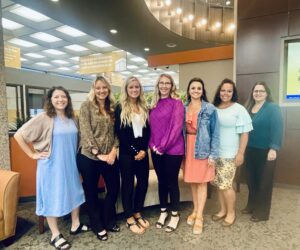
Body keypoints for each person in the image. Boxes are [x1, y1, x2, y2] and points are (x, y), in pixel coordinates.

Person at [14, 86, 87, 250]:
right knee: (51, 196)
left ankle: (75, 225)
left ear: (67, 99)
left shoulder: (72, 117)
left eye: (63, 97)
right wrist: (32, 154)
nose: (60, 100)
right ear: (50, 100)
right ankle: (55, 234)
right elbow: (20, 135)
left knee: (76, 192)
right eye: (56, 97)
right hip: (51, 166)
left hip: (70, 164)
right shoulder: (44, 117)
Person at [77, 76, 120, 241]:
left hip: (109, 156)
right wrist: (97, 153)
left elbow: (117, 131)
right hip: (89, 157)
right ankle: (97, 224)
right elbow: (85, 131)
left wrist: (114, 150)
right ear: (93, 89)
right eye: (98, 88)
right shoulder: (86, 106)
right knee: (92, 192)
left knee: (114, 188)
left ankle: (108, 219)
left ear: (109, 89)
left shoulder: (113, 107)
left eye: (104, 88)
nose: (101, 91)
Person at [211, 78, 253, 226]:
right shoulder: (214, 107)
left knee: (227, 185)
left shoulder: (238, 109)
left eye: (229, 91)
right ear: (219, 91)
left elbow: (245, 133)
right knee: (218, 184)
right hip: (215, 153)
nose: (225, 93)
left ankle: (231, 213)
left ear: (233, 93)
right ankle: (222, 210)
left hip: (230, 154)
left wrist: (241, 153)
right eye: (223, 90)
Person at [243, 81, 283, 222]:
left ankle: (261, 213)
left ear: (267, 93)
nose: (258, 93)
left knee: (263, 182)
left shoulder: (272, 108)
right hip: (249, 150)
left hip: (265, 151)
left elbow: (277, 128)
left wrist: (274, 148)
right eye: (256, 91)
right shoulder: (248, 107)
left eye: (261, 91)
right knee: (251, 180)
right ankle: (252, 205)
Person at [149, 73, 184, 233]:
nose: (164, 86)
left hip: (173, 150)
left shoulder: (177, 103)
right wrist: (153, 146)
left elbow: (175, 128)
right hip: (156, 149)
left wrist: (162, 147)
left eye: (167, 83)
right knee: (161, 181)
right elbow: (150, 129)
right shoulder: (153, 104)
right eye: (161, 83)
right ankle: (163, 212)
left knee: (171, 182)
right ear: (158, 85)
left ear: (171, 86)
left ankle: (175, 214)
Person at [183, 78, 219, 234]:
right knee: (192, 182)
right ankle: (195, 210)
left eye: (199, 88)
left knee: (202, 182)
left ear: (202, 90)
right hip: (187, 148)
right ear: (189, 90)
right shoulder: (183, 107)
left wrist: (213, 154)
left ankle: (200, 217)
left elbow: (215, 133)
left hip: (203, 148)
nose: (196, 90)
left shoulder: (210, 108)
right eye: (193, 88)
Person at [115, 76, 150, 234]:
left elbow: (148, 131)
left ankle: (137, 212)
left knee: (143, 184)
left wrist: (143, 150)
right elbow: (121, 134)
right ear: (126, 90)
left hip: (142, 151)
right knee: (128, 185)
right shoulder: (120, 108)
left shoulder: (144, 107)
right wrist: (136, 151)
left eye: (137, 87)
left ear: (140, 89)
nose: (134, 90)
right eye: (131, 87)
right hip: (127, 154)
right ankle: (129, 217)